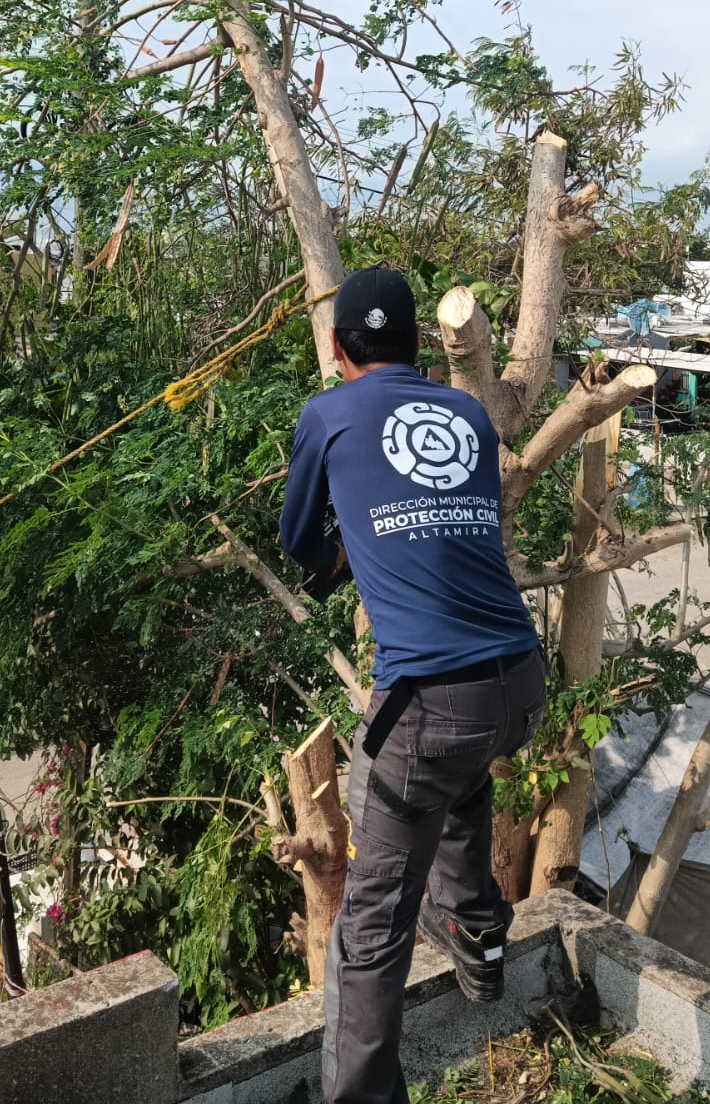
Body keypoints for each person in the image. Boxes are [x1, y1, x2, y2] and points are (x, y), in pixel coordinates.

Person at [279, 266, 545, 1104]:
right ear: (419, 343)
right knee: (454, 769)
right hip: (518, 682)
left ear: (337, 347)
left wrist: (338, 556)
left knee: (368, 927)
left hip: (430, 700)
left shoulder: (327, 414)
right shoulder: (466, 413)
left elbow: (300, 540)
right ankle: (477, 932)